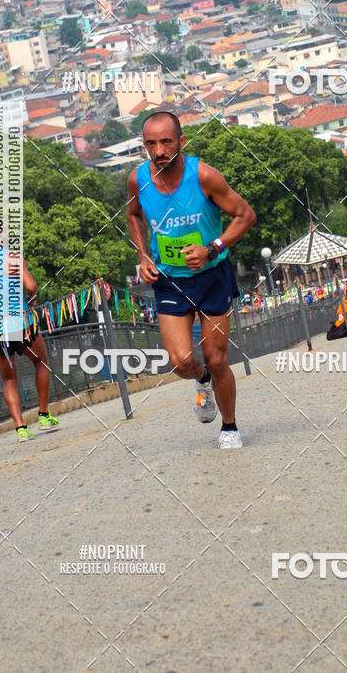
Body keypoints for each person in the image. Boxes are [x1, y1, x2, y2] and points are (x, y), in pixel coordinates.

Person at [126, 111, 256, 449]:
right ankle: (202, 378)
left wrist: (212, 249)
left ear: (181, 141)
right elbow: (133, 214)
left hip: (212, 276)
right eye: (151, 144)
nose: (159, 151)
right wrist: (143, 256)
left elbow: (246, 215)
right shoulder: (137, 180)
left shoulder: (204, 176)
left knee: (217, 357)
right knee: (181, 362)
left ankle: (229, 426)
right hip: (170, 280)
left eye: (166, 142)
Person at [0, 214, 59, 442]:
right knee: (41, 361)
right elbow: (31, 285)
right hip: (21, 323)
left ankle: (20, 428)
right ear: (2, 233)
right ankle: (43, 415)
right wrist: (31, 300)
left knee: (8, 379)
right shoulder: (12, 257)